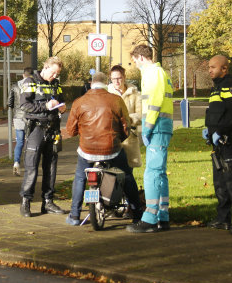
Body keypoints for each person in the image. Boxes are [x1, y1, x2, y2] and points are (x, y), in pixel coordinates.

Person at [64, 72, 142, 226]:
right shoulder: (116, 100)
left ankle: (74, 215)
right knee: (127, 175)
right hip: (112, 149)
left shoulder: (79, 102)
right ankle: (137, 214)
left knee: (80, 176)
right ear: (107, 84)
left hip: (86, 151)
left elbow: (71, 131)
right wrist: (118, 140)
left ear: (91, 84)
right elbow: (125, 127)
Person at [127, 44, 173, 234]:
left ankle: (150, 218)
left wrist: (147, 129)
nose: (136, 65)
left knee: (152, 173)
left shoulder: (153, 74)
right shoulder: (158, 73)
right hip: (161, 127)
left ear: (141, 57)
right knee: (160, 174)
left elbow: (154, 104)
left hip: (157, 128)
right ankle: (162, 216)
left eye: (135, 61)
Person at [203, 55, 232, 235]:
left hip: (230, 140)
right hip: (218, 142)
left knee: (231, 181)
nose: (210, 70)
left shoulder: (231, 86)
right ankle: (223, 219)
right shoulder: (216, 88)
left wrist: (220, 131)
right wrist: (209, 130)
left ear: (224, 69)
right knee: (219, 182)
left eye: (213, 67)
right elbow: (215, 113)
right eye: (209, 67)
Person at [19, 56, 68, 217]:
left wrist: (62, 107)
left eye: (57, 74)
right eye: (53, 72)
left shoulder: (56, 84)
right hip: (36, 129)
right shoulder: (30, 82)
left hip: (53, 129)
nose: (55, 76)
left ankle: (48, 202)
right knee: (32, 167)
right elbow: (24, 105)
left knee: (51, 167)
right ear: (45, 67)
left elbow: (61, 101)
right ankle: (26, 202)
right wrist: (45, 106)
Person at [108, 64, 143, 218]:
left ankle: (130, 206)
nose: (116, 81)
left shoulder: (134, 94)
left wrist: (127, 119)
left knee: (128, 174)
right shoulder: (107, 93)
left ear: (124, 77)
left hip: (129, 139)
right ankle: (111, 204)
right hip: (111, 138)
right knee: (111, 172)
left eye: (119, 78)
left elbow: (141, 114)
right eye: (113, 78)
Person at [8, 67, 33, 176]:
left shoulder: (15, 86)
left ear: (23, 75)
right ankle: (29, 166)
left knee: (20, 143)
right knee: (30, 142)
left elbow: (9, 102)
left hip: (18, 117)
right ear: (32, 76)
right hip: (30, 117)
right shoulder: (33, 85)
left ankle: (16, 163)